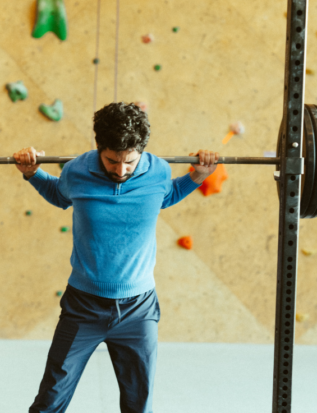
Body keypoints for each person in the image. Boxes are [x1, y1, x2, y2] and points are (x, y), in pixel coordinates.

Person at [13, 102, 219, 413]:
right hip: (83, 306)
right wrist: (32, 173)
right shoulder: (76, 171)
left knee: (139, 406)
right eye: (112, 161)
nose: (120, 170)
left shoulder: (160, 172)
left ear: (142, 151)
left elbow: (165, 197)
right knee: (49, 403)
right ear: (98, 146)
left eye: (130, 163)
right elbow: (59, 195)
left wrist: (198, 176)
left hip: (138, 311)